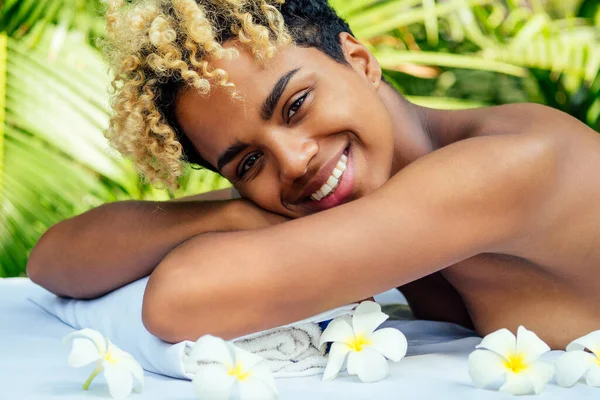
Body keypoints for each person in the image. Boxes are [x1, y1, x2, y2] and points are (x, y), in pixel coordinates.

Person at [27, 0, 600, 349]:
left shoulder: (509, 165)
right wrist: (234, 209)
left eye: (295, 105)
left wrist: (250, 213)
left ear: (359, 59)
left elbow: (178, 301)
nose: (294, 160)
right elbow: (53, 260)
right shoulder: (354, 192)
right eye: (248, 161)